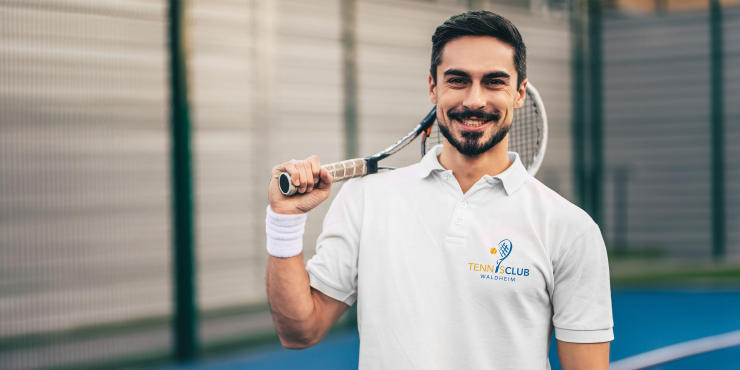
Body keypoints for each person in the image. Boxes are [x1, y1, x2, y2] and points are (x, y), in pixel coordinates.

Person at [265, 10, 613, 370]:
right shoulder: (366, 198)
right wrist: (284, 222)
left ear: (520, 93)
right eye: (458, 80)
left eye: (494, 82)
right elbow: (299, 332)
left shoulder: (571, 229)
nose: (475, 100)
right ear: (433, 87)